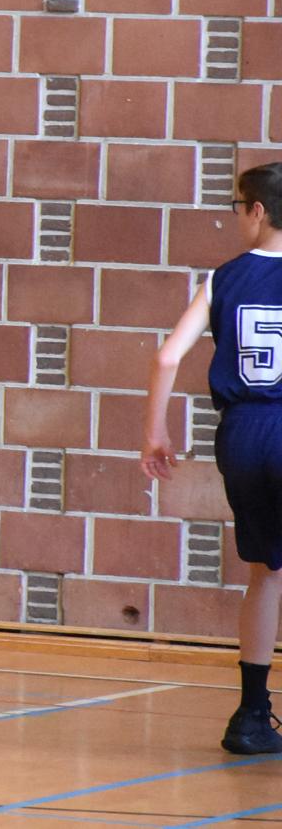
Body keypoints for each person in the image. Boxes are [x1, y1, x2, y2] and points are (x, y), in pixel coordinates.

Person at [143, 161, 282, 756]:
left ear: (258, 211)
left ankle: (250, 716)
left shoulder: (225, 278)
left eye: (237, 206)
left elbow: (167, 357)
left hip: (244, 431)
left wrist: (155, 431)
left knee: (267, 571)